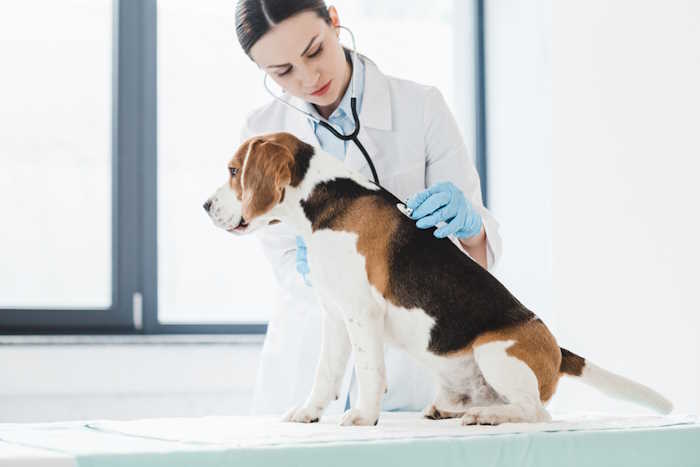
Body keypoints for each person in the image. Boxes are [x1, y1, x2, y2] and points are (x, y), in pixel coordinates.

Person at [234, 0, 503, 416]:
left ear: (335, 22)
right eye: (282, 71)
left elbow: (478, 257)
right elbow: (283, 256)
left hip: (411, 364)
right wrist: (320, 268)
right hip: (306, 365)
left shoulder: (422, 108)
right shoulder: (262, 134)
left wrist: (468, 226)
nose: (309, 78)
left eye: (314, 51)